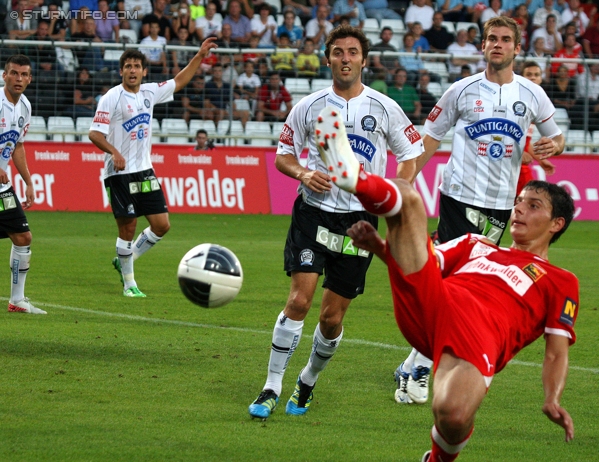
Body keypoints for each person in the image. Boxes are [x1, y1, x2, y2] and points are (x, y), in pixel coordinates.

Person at [318, 122, 578, 460]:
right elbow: (420, 260)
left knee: (453, 414)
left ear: (556, 223)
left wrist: (551, 398)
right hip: (435, 303)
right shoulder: (476, 244)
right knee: (407, 197)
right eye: (518, 202)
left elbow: (556, 351)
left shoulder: (560, 280)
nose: (518, 209)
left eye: (533, 205)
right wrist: (381, 247)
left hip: (479, 337)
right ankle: (352, 176)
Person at [247, 25, 424, 421]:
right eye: (338, 52)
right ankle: (272, 385)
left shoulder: (384, 107)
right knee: (299, 300)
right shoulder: (308, 106)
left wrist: (399, 187)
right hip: (314, 212)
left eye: (353, 52)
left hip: (360, 223)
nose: (346, 58)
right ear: (327, 59)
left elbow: (410, 153)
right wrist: (304, 174)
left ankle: (307, 380)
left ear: (364, 59)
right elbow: (283, 156)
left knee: (331, 318)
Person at [393, 16, 566, 404]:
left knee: (461, 284)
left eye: (506, 40)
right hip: (460, 195)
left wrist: (553, 147)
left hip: (504, 204)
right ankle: (419, 369)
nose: (498, 45)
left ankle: (412, 362)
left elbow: (557, 137)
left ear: (517, 48)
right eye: (492, 39)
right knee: (451, 285)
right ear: (482, 46)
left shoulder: (532, 94)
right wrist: (402, 184)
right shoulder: (461, 90)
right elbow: (430, 139)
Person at [88, 39, 218, 298]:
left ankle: (127, 258)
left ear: (144, 71)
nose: (133, 70)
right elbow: (94, 133)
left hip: (145, 171)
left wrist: (200, 55)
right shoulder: (111, 97)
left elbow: (179, 81)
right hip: (119, 174)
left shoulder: (150, 92)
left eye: (137, 66)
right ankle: (129, 284)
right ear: (121, 71)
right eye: (128, 66)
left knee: (162, 225)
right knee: (128, 227)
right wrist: (114, 152)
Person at [0, 55, 46, 315]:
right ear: (4, 76)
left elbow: (17, 145)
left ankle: (17, 300)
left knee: (22, 236)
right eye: (14, 73)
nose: (18, 79)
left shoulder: (25, 107)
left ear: (29, 78)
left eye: (23, 74)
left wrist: (28, 181)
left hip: (2, 187)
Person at [518, 61, 556, 195]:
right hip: (505, 160)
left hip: (518, 163)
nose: (533, 77)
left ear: (541, 78)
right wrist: (518, 152)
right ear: (521, 78)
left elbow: (526, 141)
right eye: (529, 74)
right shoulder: (515, 100)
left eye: (536, 75)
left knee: (527, 200)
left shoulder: (537, 104)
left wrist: (540, 159)